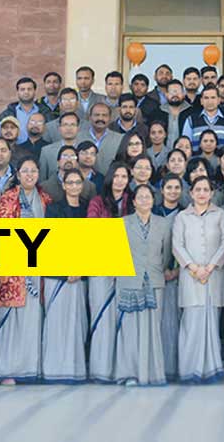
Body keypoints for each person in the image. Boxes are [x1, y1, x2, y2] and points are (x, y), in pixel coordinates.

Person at [0, 157, 50, 385]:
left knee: (33, 319)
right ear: (18, 173)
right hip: (13, 266)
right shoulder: (8, 199)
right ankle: (8, 370)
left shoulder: (44, 199)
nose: (30, 175)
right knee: (11, 321)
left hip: (38, 265)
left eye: (34, 171)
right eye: (25, 171)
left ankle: (30, 368)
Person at [172, 177, 224, 384]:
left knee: (211, 324)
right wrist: (194, 267)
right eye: (198, 189)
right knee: (191, 324)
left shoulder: (221, 215)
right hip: (191, 277)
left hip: (214, 276)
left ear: (212, 193)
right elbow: (177, 245)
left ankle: (211, 370)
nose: (202, 193)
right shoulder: (182, 217)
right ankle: (190, 371)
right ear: (191, 193)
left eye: (206, 189)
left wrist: (210, 267)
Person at [114, 185, 172, 386]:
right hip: (129, 281)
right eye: (141, 197)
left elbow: (166, 254)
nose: (145, 200)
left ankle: (152, 373)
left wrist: (160, 269)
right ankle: (129, 373)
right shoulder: (122, 223)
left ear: (153, 200)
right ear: (133, 201)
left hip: (155, 280)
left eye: (148, 197)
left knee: (153, 329)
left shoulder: (163, 224)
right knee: (129, 330)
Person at [42, 168, 90, 383]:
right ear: (63, 185)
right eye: (69, 183)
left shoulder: (89, 208)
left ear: (82, 185)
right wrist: (67, 268)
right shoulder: (53, 208)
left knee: (77, 322)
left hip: (80, 276)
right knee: (57, 323)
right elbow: (52, 241)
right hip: (58, 276)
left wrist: (79, 268)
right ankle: (54, 370)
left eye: (77, 182)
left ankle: (76, 369)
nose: (73, 186)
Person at [86, 163, 132, 383]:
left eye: (125, 176)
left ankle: (122, 370)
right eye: (117, 176)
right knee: (102, 319)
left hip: (128, 267)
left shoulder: (133, 202)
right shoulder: (97, 202)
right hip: (101, 264)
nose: (121, 180)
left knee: (125, 321)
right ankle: (100, 370)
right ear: (110, 179)